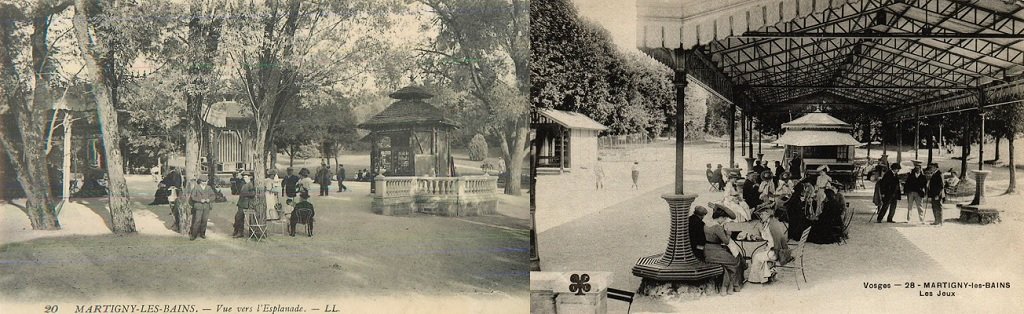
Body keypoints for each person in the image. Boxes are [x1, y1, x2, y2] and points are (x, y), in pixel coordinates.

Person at [704, 207, 744, 295]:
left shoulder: (706, 224)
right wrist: (729, 234)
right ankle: (731, 286)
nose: (725, 220)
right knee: (735, 261)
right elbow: (726, 241)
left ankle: (726, 287)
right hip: (716, 251)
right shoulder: (718, 227)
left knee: (726, 265)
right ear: (720, 217)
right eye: (724, 218)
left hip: (707, 251)